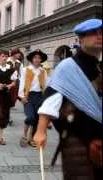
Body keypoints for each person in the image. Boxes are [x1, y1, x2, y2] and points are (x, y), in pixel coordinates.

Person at [34, 19, 102, 179]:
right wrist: (41, 131)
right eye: (93, 33)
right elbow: (50, 102)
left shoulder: (99, 67)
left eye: (102, 33)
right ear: (80, 39)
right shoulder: (67, 67)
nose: (99, 36)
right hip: (76, 139)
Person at [18, 49, 48, 148]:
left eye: (39, 58)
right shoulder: (25, 69)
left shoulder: (43, 71)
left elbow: (46, 84)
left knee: (36, 119)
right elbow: (22, 82)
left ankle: (31, 138)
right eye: (35, 57)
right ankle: (24, 135)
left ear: (41, 60)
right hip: (28, 96)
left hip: (39, 96)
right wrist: (21, 96)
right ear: (31, 59)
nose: (37, 59)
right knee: (30, 117)